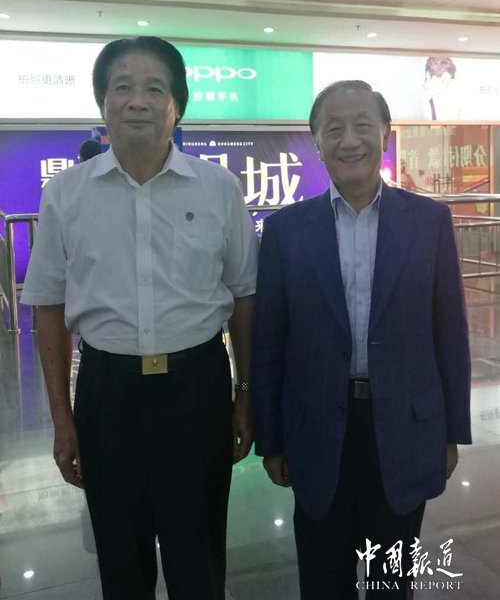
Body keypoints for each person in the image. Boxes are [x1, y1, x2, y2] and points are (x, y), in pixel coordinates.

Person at [21, 36, 259, 600]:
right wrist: (62, 419)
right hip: (108, 394)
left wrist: (245, 394)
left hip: (197, 390)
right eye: (122, 87)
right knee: (120, 560)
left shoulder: (219, 189)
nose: (137, 100)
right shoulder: (66, 195)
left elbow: (245, 297)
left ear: (178, 106)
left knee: (198, 558)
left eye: (155, 88)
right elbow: (48, 309)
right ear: (102, 102)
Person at [251, 80, 471, 599]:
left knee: (392, 582)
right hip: (315, 430)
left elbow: (450, 334)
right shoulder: (285, 230)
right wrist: (271, 439)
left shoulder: (429, 221)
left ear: (386, 134)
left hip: (404, 428)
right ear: (317, 142)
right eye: (333, 129)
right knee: (323, 580)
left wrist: (451, 432)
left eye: (363, 126)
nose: (349, 140)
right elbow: (270, 342)